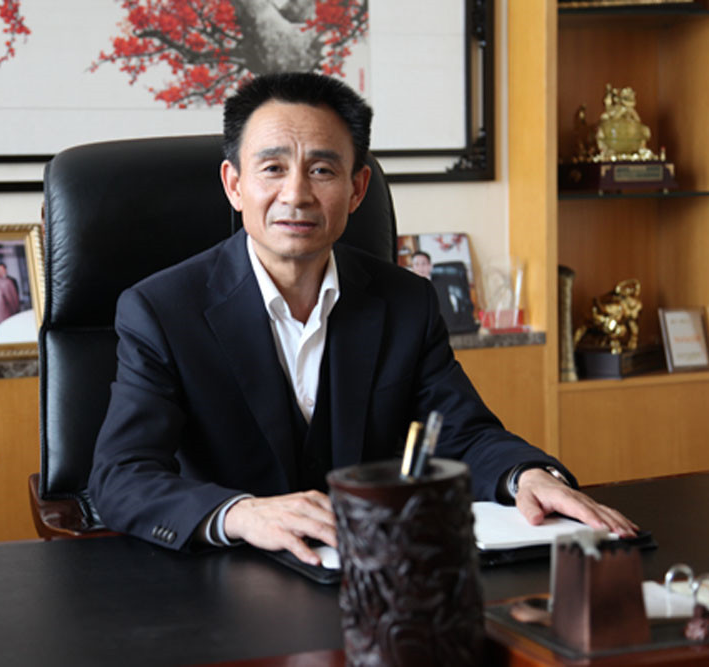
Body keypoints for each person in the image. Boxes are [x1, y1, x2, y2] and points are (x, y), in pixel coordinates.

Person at [89, 72, 636, 566]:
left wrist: (527, 475)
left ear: (356, 189)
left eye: (322, 170)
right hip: (226, 581)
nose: (296, 194)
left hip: (372, 576)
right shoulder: (162, 310)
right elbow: (121, 476)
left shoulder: (405, 302)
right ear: (234, 184)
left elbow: (461, 433)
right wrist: (242, 514)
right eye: (273, 168)